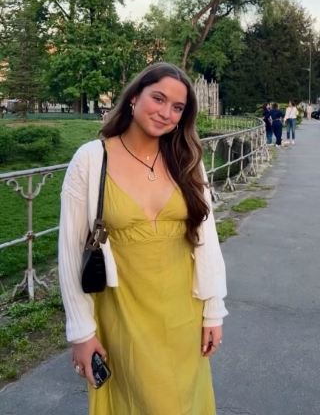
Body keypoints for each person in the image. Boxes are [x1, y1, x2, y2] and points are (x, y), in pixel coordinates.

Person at [58, 63, 227, 415]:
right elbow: (71, 252)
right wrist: (81, 332)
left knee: (185, 401)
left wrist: (212, 311)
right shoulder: (91, 160)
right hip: (124, 315)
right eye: (158, 98)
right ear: (134, 97)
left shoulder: (187, 160)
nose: (166, 113)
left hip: (185, 313)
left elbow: (206, 240)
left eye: (177, 108)